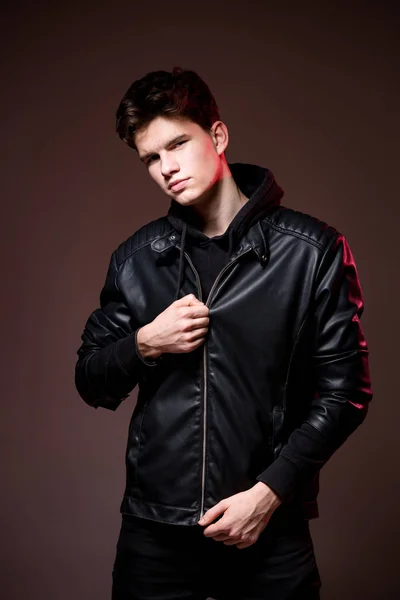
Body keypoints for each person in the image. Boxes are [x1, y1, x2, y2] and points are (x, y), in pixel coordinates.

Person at [74, 66, 373, 600]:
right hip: (155, 533)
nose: (167, 168)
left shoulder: (311, 251)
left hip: (268, 528)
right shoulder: (138, 260)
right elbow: (91, 379)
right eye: (150, 158)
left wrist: (270, 493)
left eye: (177, 144)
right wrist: (145, 343)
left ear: (217, 136)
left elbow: (346, 392)